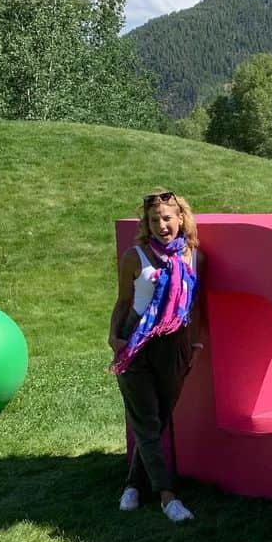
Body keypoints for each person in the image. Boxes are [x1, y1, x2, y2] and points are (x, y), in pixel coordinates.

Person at [108, 189, 206, 523]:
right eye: (154, 220)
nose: (162, 225)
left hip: (174, 344)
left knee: (157, 419)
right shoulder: (135, 256)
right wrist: (114, 337)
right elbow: (123, 302)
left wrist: (195, 345)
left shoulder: (193, 256)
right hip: (136, 342)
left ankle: (133, 485)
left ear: (181, 218)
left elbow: (194, 304)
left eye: (167, 218)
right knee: (148, 422)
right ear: (146, 225)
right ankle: (168, 496)